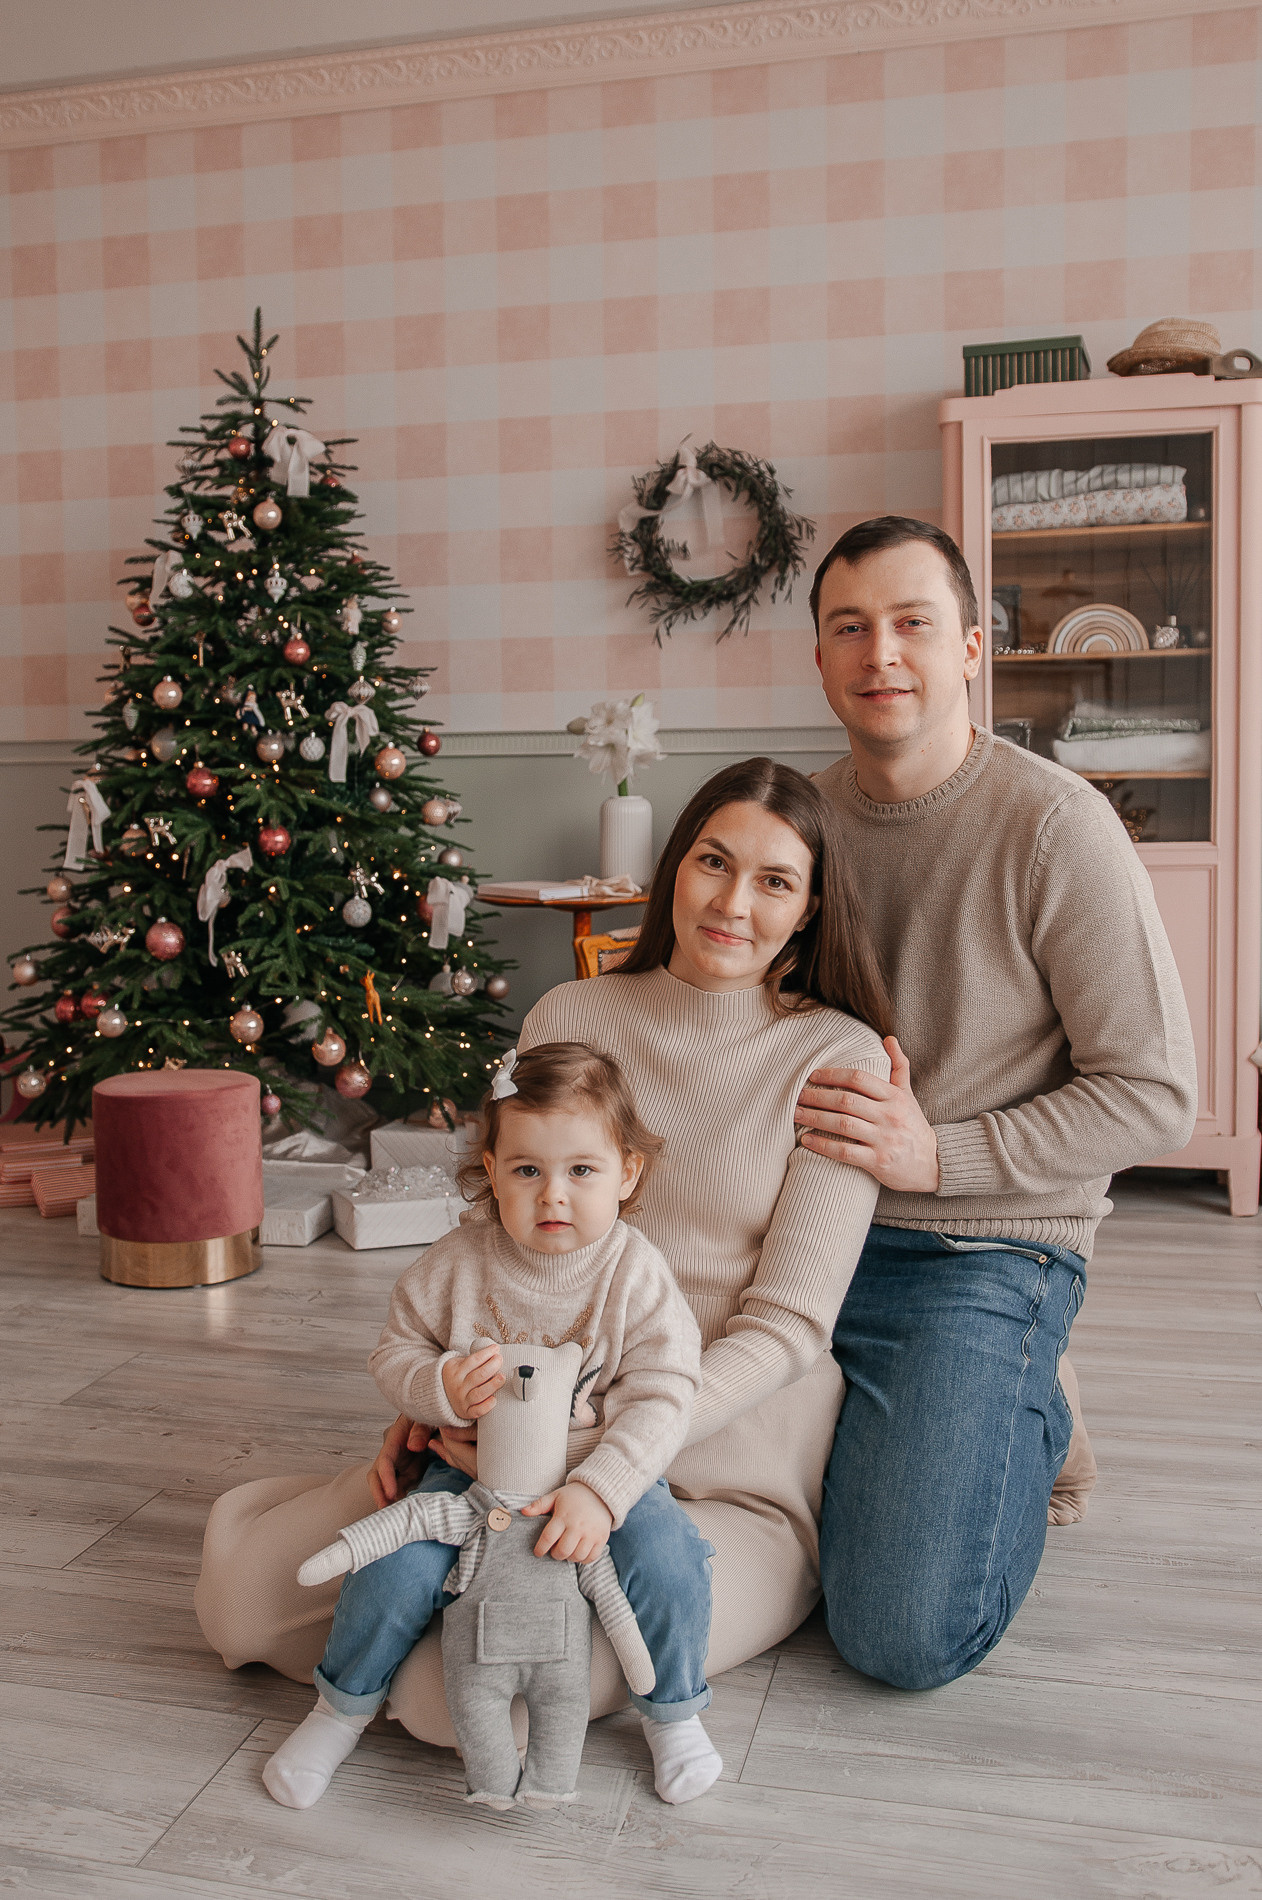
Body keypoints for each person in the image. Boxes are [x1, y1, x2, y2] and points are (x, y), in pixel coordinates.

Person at [195, 757, 892, 1745]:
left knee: (453, 1703)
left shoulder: (837, 1056)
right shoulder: (573, 1017)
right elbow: (501, 1236)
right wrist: (440, 1389)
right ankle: (320, 1536)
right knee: (242, 1609)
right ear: (672, 867)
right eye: (711, 861)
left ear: (811, 908)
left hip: (717, 1462)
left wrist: (598, 1448)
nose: (733, 902)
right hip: (512, 1433)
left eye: (775, 881)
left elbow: (786, 1329)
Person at [793, 515, 1198, 1691]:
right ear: (817, 661)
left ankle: (1037, 1404)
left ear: (971, 646)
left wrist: (942, 1157)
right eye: (849, 627)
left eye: (913, 623)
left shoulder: (1054, 825)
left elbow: (1157, 1095)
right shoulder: (799, 824)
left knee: (898, 1633)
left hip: (985, 1246)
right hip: (807, 1229)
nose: (882, 654)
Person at [262, 1041, 716, 1811]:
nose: (553, 1197)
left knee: (670, 1562)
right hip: (470, 1474)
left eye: (582, 1170)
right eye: (527, 1170)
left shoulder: (634, 1272)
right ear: (493, 1171)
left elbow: (667, 1391)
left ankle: (674, 1715)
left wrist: (603, 1493)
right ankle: (338, 1711)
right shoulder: (458, 1261)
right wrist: (436, 1386)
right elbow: (396, 1348)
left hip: (599, 1472)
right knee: (393, 1571)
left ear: (627, 1173)